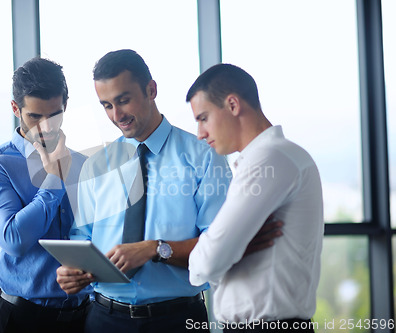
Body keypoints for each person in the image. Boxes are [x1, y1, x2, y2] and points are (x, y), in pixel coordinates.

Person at [56, 49, 282, 333]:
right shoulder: (96, 165)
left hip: (178, 320)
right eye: (107, 105)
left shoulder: (204, 156)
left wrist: (155, 249)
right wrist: (72, 272)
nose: (117, 115)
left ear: (151, 90)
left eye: (124, 100)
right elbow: (82, 238)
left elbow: (220, 244)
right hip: (105, 318)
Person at [187, 63, 324, 333]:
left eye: (203, 118)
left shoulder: (269, 159)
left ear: (233, 105)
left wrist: (221, 252)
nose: (200, 133)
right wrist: (227, 249)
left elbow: (205, 263)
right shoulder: (272, 158)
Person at [0, 57, 91, 333]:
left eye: (54, 115)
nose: (46, 127)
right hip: (22, 320)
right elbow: (14, 239)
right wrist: (55, 179)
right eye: (35, 116)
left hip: (85, 318)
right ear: (16, 109)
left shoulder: (84, 165)